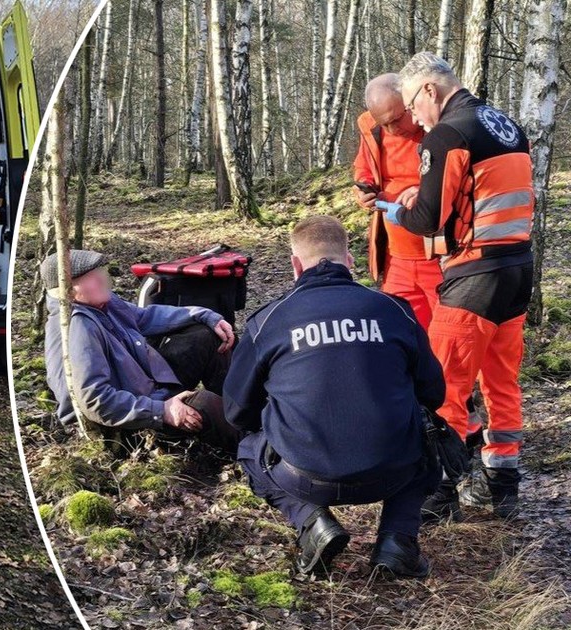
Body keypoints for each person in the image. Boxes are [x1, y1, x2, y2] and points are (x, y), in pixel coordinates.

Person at [224, 216, 444, 578]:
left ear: (295, 265)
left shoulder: (268, 321)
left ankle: (312, 523)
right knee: (430, 432)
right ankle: (398, 541)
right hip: (394, 470)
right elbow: (434, 393)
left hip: (304, 476)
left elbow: (236, 412)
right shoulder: (394, 310)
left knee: (249, 448)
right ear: (350, 260)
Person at [384, 52, 534, 521]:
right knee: (501, 381)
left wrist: (399, 210)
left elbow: (430, 218)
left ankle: (439, 492)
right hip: (516, 270)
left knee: (445, 385)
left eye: (412, 104)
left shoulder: (449, 133)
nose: (414, 118)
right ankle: (502, 485)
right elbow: (479, 196)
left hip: (475, 276)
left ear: (429, 89)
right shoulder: (502, 123)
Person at [41, 249, 237, 457]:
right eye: (89, 277)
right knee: (203, 404)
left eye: (98, 271)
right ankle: (258, 445)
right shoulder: (77, 326)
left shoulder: (100, 304)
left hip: (151, 387)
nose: (101, 278)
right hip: (128, 424)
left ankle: (243, 409)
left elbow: (144, 317)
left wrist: (205, 315)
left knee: (206, 336)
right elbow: (94, 400)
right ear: (67, 290)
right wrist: (162, 411)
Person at [352, 73, 443, 330]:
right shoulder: (370, 127)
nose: (393, 129)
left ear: (410, 101)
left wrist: (426, 190)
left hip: (439, 256)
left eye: (396, 119)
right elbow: (363, 167)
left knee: (451, 336)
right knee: (401, 331)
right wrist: (363, 190)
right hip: (394, 257)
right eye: (385, 124)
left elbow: (461, 176)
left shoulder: (441, 126)